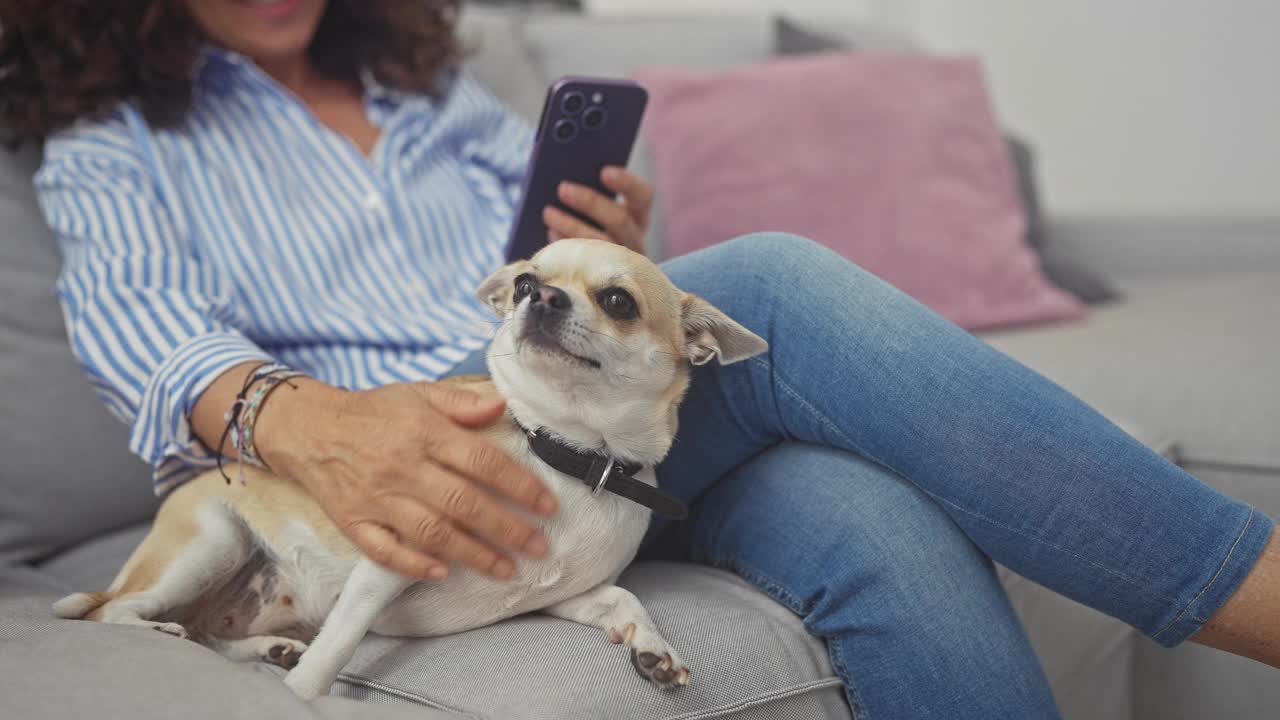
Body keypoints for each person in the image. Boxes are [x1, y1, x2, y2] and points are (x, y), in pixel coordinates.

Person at [3, 1, 1277, 717]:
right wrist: (298, 420)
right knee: (809, 376)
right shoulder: (120, 143)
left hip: (605, 437)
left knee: (817, 412)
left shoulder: (434, 104)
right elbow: (142, 326)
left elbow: (579, 280)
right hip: (445, 458)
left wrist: (617, 257)